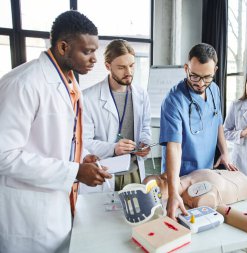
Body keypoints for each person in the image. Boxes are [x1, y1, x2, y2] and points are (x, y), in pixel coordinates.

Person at [0, 10, 113, 253]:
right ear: (63, 47)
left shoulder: (69, 82)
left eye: (95, 50)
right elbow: (4, 156)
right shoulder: (23, 84)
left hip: (57, 205)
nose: (94, 59)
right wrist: (75, 171)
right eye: (88, 51)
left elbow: (54, 140)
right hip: (29, 215)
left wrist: (82, 160)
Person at [159, 43, 238, 219]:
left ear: (215, 70)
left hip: (206, 173)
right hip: (180, 177)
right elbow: (174, 147)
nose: (201, 84)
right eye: (194, 76)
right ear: (186, 68)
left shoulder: (215, 90)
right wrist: (173, 193)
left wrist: (225, 152)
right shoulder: (173, 101)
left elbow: (217, 123)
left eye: (207, 77)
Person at [82, 39, 152, 192]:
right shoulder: (88, 98)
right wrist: (113, 148)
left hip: (135, 171)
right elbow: (83, 143)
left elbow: (145, 127)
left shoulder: (141, 94)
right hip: (105, 173)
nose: (129, 72)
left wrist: (145, 143)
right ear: (108, 66)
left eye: (132, 65)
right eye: (121, 67)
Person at [143, 170, 247, 209]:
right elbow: (210, 201)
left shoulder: (185, 180)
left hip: (237, 178)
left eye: (160, 176)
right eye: (162, 182)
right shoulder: (194, 196)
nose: (165, 176)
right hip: (242, 184)